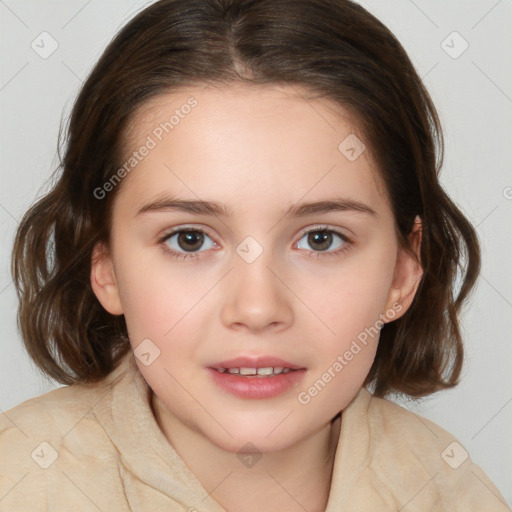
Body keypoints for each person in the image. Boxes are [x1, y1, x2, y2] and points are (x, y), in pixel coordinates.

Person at [1, 0, 509, 510]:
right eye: (190, 239)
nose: (257, 309)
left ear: (402, 272)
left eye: (321, 239)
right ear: (106, 266)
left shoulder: (453, 490)